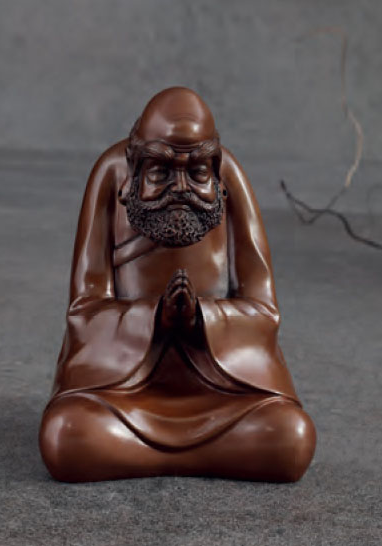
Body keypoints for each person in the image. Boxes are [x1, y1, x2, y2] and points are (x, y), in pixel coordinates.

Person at [39, 87, 316, 482]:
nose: (181, 187)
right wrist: (155, 317)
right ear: (134, 166)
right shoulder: (111, 173)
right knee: (67, 435)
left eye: (197, 172)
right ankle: (211, 458)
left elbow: (263, 308)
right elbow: (85, 307)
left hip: (218, 385)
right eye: (161, 172)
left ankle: (133, 456)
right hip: (126, 385)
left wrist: (202, 317)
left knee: (291, 437)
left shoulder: (229, 177)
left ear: (215, 166)